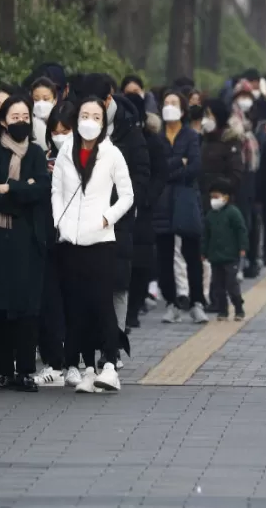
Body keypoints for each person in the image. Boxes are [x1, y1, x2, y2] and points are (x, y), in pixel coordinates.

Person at [52, 97, 134, 393]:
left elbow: (127, 195)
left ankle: (110, 365)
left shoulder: (112, 154)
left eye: (95, 116)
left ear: (103, 122)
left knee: (102, 303)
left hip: (100, 241)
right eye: (84, 115)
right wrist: (59, 222)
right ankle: (87, 367)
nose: (89, 120)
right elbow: (56, 190)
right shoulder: (66, 152)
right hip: (69, 241)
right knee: (77, 307)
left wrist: (106, 217)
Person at [0, 94, 48, 393]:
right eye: (14, 117)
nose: (21, 122)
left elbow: (41, 190)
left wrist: (11, 188)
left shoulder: (35, 152)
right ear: (3, 121)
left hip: (27, 240)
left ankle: (26, 371)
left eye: (25, 117)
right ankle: (4, 369)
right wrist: (23, 190)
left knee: (27, 308)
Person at [80, 74, 149, 363]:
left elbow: (143, 175)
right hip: (84, 221)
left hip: (117, 220)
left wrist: (122, 204)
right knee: (87, 287)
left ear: (110, 100)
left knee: (117, 287)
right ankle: (88, 347)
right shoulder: (78, 130)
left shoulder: (129, 133)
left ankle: (113, 347)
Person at [34, 100, 77, 387]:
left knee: (73, 302)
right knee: (48, 302)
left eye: (66, 129)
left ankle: (74, 360)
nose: (60, 135)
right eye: (56, 130)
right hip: (48, 240)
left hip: (76, 241)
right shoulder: (42, 158)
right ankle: (53, 361)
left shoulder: (87, 159)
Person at [153, 91, 206, 324]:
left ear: (183, 110)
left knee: (192, 253)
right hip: (162, 200)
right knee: (164, 255)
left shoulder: (191, 136)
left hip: (185, 198)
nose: (169, 107)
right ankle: (172, 302)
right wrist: (178, 163)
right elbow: (158, 168)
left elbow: (194, 166)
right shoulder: (156, 137)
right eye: (166, 103)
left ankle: (196, 302)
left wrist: (171, 171)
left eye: (174, 103)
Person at [124, 93, 167, 330]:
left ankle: (134, 309)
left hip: (143, 209)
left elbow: (161, 173)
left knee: (141, 263)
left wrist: (148, 197)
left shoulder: (152, 140)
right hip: (119, 206)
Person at [203, 180, 248, 321]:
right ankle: (223, 310)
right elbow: (205, 236)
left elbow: (241, 231)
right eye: (212, 197)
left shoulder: (233, 213)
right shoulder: (210, 215)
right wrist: (203, 252)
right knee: (218, 286)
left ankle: (238, 307)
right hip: (215, 257)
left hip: (230, 256)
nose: (213, 200)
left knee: (231, 284)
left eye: (216, 196)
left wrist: (242, 247)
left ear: (226, 197)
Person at [230, 80, 262, 278]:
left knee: (252, 220)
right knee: (240, 220)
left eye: (247, 96)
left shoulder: (255, 119)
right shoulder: (232, 121)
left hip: (252, 177)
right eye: (241, 96)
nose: (245, 100)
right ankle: (238, 262)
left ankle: (250, 259)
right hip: (238, 177)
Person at [29, 77, 58, 153]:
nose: (41, 103)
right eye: (36, 99)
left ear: (55, 100)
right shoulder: (28, 123)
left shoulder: (62, 121)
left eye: (46, 99)